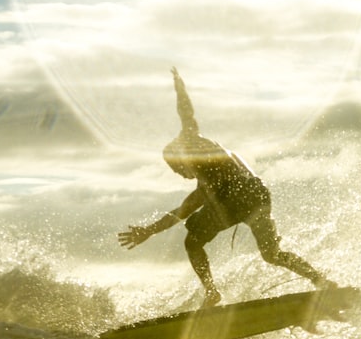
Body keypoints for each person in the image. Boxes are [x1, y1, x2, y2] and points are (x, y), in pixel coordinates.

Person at [118, 67, 335, 307]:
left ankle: (212, 293)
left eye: (178, 170)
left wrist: (149, 231)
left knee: (192, 242)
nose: (181, 175)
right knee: (272, 254)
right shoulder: (204, 152)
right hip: (257, 195)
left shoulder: (192, 147)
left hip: (232, 199)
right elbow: (187, 116)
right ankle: (320, 280)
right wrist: (179, 86)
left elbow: (182, 211)